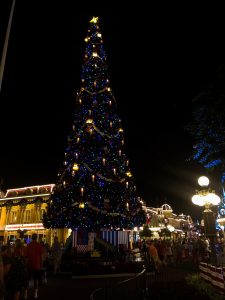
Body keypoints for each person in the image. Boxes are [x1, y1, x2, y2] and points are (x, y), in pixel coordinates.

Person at [25, 233, 43, 299]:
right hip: (37, 265)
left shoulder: (28, 245)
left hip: (29, 264)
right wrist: (41, 264)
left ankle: (25, 294)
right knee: (36, 280)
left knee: (27, 280)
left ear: (32, 238)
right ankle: (35, 294)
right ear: (36, 238)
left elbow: (26, 256)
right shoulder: (39, 245)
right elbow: (41, 256)